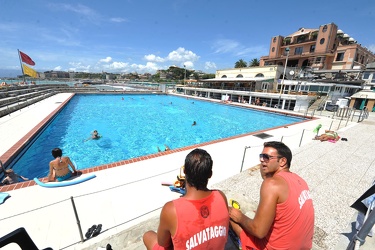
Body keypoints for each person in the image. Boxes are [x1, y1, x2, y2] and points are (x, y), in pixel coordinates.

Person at [229, 141, 314, 249]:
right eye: (261, 156)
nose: (261, 160)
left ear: (283, 161)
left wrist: (239, 217)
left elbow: (259, 231)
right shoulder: (300, 180)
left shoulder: (271, 184)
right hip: (302, 246)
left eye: (266, 157)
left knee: (228, 214)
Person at [143, 148, 229, 249]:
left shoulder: (171, 209)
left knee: (148, 236)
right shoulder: (221, 196)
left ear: (184, 171)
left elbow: (162, 243)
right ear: (210, 174)